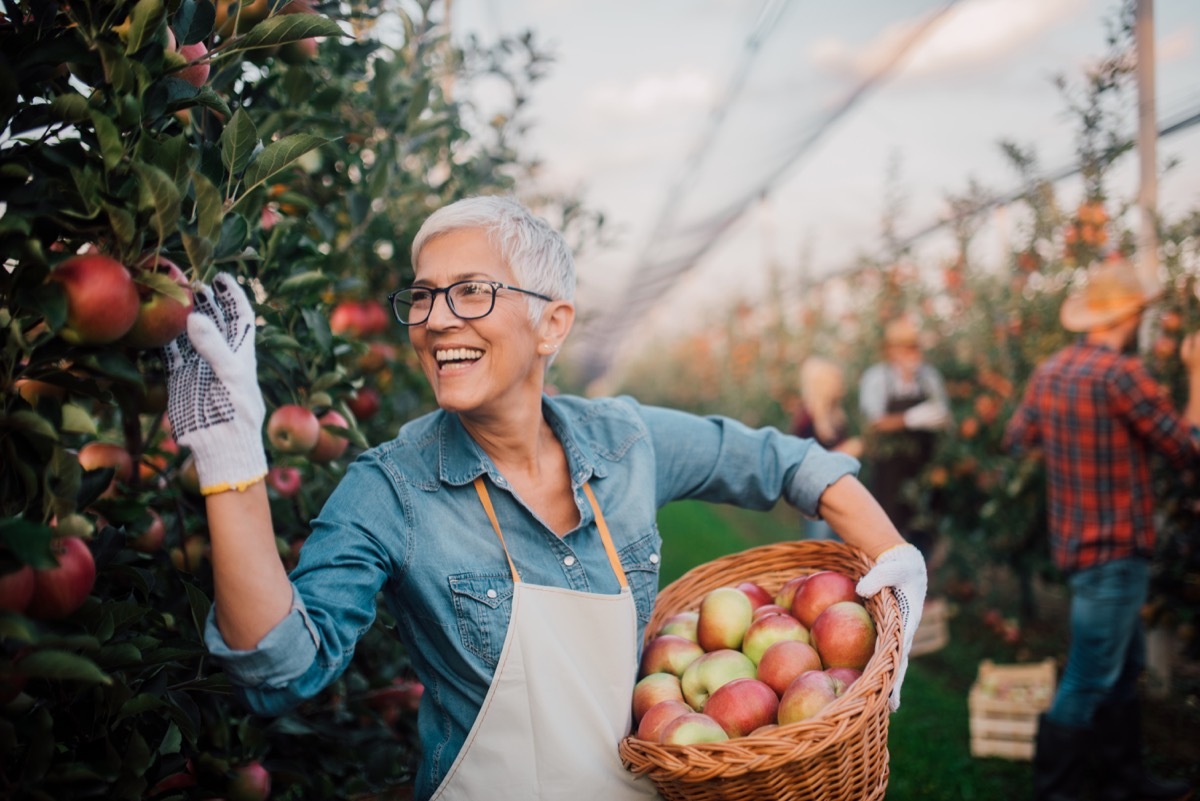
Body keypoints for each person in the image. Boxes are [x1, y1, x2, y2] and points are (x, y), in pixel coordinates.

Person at [164, 195, 928, 801]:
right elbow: (281, 669)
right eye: (424, 297)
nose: (435, 321)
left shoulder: (626, 443)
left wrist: (892, 552)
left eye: (470, 292)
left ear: (551, 323)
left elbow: (788, 461)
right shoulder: (393, 487)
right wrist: (232, 465)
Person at [1002, 257, 1199, 801]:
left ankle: (1124, 780)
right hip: (1116, 551)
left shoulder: (1051, 372)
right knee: (1089, 675)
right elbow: (1187, 449)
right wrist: (1198, 376)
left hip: (1076, 546)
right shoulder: (1121, 374)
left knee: (1125, 662)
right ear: (1131, 315)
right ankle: (1057, 791)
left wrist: (1069, 442)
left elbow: (1016, 438)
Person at [857, 315, 952, 560]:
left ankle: (924, 587)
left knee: (924, 529)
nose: (913, 353)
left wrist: (940, 419)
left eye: (915, 347)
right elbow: (874, 423)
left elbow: (944, 414)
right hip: (890, 471)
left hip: (923, 469)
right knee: (890, 531)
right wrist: (910, 419)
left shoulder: (928, 377)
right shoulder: (877, 379)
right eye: (907, 347)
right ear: (891, 351)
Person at [789, 356, 864, 540]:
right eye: (836, 380)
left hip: (838, 494)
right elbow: (803, 462)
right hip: (817, 497)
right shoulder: (807, 419)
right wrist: (843, 452)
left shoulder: (837, 417)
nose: (841, 384)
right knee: (820, 546)